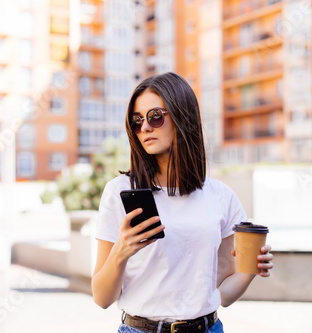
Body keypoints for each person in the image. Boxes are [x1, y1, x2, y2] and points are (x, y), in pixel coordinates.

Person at [92, 72, 273, 333]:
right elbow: (101, 297)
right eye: (136, 120)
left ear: (181, 117)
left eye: (155, 117)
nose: (144, 128)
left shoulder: (220, 197)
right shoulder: (119, 192)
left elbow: (221, 295)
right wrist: (121, 250)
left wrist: (251, 270)